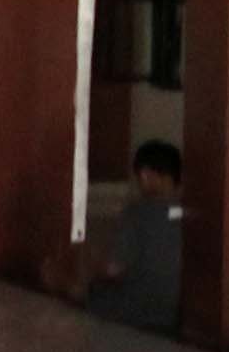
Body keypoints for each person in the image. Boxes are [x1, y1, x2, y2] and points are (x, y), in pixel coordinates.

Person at [77, 139, 187, 332]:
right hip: (174, 314)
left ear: (145, 174)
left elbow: (113, 268)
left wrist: (91, 263)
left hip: (135, 310)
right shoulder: (186, 213)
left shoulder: (137, 213)